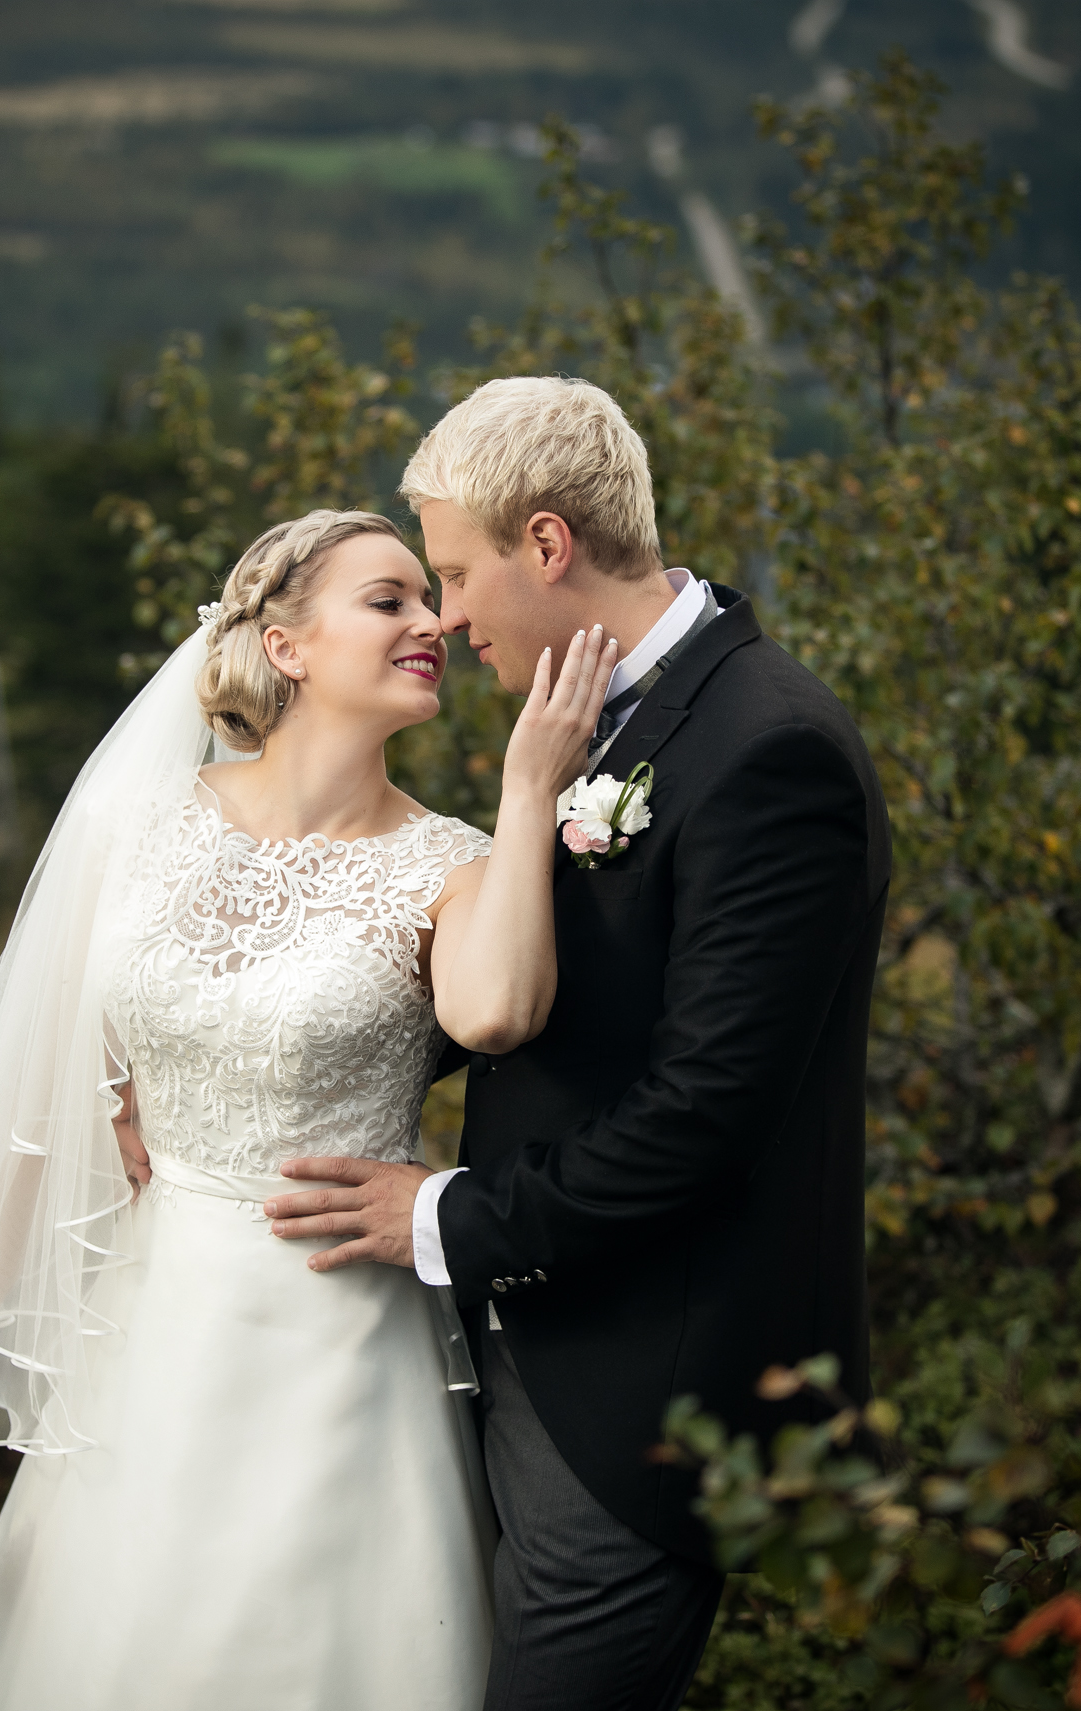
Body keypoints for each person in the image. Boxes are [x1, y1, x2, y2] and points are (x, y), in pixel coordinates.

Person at [0, 505, 617, 1709]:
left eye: (430, 598)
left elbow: (498, 1012)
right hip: (147, 1325)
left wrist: (530, 793)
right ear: (285, 644)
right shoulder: (136, 824)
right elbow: (46, 1088)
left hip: (339, 1337)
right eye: (390, 599)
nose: (432, 622)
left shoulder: (452, 864)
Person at [263, 376, 891, 1711]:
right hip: (519, 1352)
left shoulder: (767, 748)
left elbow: (707, 1111)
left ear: (545, 542)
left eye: (452, 573)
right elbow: (543, 996)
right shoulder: (596, 717)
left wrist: (445, 1215)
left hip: (641, 1398)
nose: (443, 618)